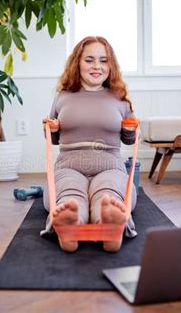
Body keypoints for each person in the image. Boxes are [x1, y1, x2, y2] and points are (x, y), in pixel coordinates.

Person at [41, 36, 139, 253]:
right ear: (77, 63)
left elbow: (128, 140)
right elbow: (54, 140)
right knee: (68, 192)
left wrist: (130, 131)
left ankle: (109, 221)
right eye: (89, 60)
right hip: (69, 165)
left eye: (104, 60)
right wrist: (51, 129)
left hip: (109, 165)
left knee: (110, 192)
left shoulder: (120, 97)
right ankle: (71, 221)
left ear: (110, 65)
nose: (97, 66)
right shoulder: (63, 96)